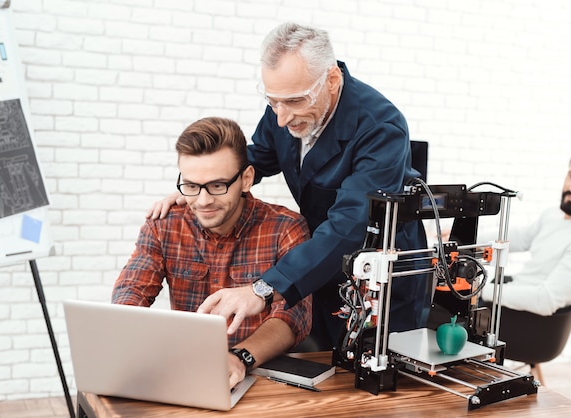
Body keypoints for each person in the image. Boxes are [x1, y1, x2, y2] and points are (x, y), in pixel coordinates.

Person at [149, 22, 430, 350]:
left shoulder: (380, 127)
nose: (281, 119)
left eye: (294, 101)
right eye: (273, 103)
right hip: (318, 264)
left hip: (381, 275)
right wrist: (205, 188)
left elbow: (350, 225)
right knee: (325, 363)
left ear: (332, 79)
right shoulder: (285, 108)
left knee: (376, 373)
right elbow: (259, 158)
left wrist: (263, 289)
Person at [112, 116, 312, 388]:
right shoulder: (164, 225)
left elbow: (292, 316)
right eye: (192, 186)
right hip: (188, 375)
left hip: (263, 377)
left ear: (246, 179)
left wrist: (238, 357)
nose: (203, 201)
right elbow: (132, 292)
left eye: (217, 186)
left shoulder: (286, 228)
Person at [480, 146, 571, 315]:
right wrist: (464, 237)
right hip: (508, 295)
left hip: (520, 320)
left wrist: (480, 291)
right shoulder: (554, 215)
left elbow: (545, 301)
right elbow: (520, 238)